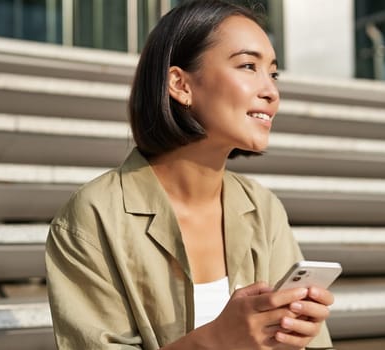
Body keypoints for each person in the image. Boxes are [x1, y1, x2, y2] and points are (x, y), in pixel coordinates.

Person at [44, 1, 335, 348]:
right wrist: (217, 341)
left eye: (273, 73)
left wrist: (294, 338)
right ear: (180, 85)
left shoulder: (262, 207)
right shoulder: (94, 215)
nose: (271, 92)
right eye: (247, 66)